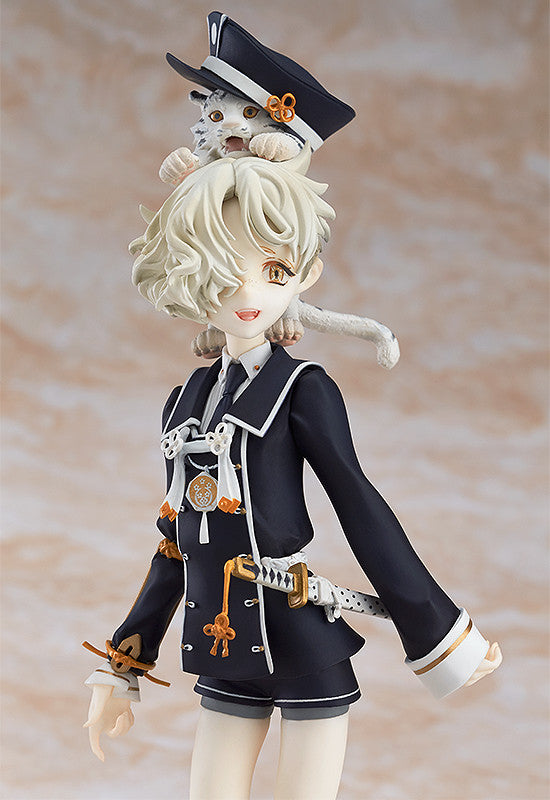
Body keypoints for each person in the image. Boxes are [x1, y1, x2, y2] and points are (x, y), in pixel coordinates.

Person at [83, 148, 501, 800]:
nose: (248, 292)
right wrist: (122, 664)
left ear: (306, 273)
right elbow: (177, 546)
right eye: (222, 270)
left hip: (303, 640)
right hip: (223, 643)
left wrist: (442, 635)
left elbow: (359, 505)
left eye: (273, 269)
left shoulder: (303, 388)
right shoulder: (185, 402)